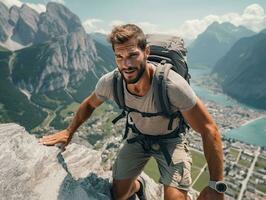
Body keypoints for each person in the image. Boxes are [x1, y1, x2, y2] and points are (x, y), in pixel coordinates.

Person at [39, 24, 225, 200]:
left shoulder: (172, 85)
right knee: (119, 195)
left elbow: (209, 129)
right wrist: (68, 132)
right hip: (138, 136)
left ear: (146, 52)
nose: (126, 64)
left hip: (171, 140)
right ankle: (140, 185)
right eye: (119, 56)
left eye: (132, 55)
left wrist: (216, 185)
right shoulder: (111, 82)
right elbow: (89, 104)